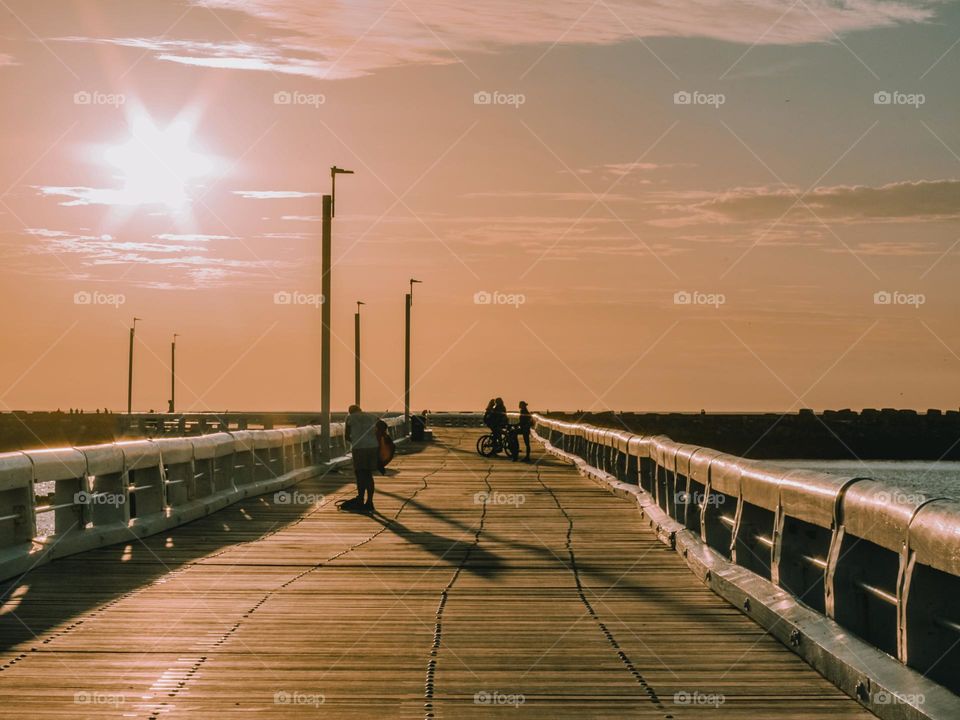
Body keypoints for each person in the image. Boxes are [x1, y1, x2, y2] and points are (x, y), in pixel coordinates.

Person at [344, 404, 380, 513]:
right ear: (360, 410)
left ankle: (360, 499)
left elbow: (347, 436)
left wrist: (355, 441)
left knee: (360, 474)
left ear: (350, 412)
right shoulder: (372, 416)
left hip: (359, 448)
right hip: (373, 447)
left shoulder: (350, 418)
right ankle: (370, 502)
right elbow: (382, 427)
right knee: (368, 474)